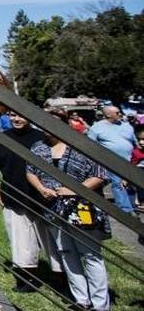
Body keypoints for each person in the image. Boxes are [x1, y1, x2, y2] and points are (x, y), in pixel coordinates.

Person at [27, 109, 110, 311]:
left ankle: (100, 304)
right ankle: (81, 299)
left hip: (82, 209)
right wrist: (41, 189)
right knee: (66, 252)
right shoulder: (38, 147)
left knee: (90, 255)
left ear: (65, 124)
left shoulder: (83, 145)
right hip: (53, 208)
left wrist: (74, 190)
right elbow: (30, 171)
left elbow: (100, 174)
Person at [0, 111, 56, 293]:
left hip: (42, 198)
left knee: (51, 240)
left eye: (21, 115)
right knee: (20, 241)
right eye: (12, 116)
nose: (17, 119)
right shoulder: (2, 138)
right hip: (13, 195)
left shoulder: (41, 138)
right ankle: (26, 280)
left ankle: (62, 278)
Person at [86, 105, 136, 214]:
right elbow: (90, 145)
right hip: (111, 160)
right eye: (117, 113)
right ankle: (126, 210)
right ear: (108, 114)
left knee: (131, 184)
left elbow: (134, 142)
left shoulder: (127, 126)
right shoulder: (96, 127)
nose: (120, 114)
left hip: (130, 160)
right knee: (118, 183)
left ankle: (131, 206)